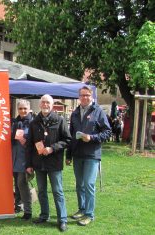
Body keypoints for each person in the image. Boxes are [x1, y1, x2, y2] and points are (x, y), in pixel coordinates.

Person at [66, 86, 111, 226]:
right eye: (82, 95)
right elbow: (71, 137)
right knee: (79, 184)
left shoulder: (98, 112)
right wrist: (68, 155)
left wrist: (91, 138)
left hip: (92, 155)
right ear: (79, 97)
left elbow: (107, 132)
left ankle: (89, 215)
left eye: (87, 95)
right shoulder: (74, 113)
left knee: (89, 184)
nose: (84, 97)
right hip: (78, 154)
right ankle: (82, 209)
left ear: (91, 96)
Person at [26, 95, 71, 232]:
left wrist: (52, 148)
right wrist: (29, 164)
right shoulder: (34, 122)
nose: (45, 104)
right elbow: (29, 145)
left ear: (52, 105)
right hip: (38, 163)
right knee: (41, 191)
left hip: (54, 163)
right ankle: (44, 215)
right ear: (40, 105)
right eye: (43, 102)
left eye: (48, 102)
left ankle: (62, 219)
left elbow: (68, 140)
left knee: (57, 191)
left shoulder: (60, 120)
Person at [12, 99, 33, 220]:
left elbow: (36, 141)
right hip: (14, 158)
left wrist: (25, 142)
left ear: (29, 109)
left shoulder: (32, 122)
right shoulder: (15, 122)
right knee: (17, 183)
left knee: (22, 183)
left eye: (25, 108)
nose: (23, 111)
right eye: (20, 108)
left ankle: (28, 211)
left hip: (26, 159)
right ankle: (18, 206)